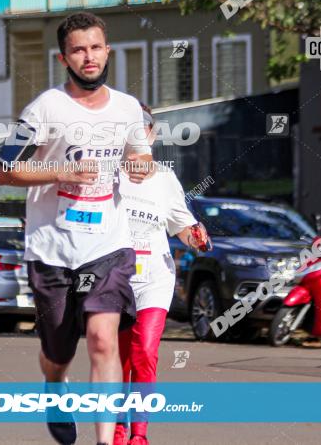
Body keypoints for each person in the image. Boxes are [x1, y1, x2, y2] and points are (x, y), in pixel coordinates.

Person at [0, 12, 154, 445]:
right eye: (79, 50)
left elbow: (142, 155)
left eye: (96, 47)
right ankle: (54, 387)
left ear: (108, 52)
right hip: (52, 249)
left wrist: (139, 167)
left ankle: (105, 440)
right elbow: (3, 169)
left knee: (103, 340)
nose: (89, 57)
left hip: (108, 246)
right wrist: (59, 170)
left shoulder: (127, 108)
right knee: (58, 352)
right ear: (64, 57)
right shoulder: (45, 107)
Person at [112, 104, 211, 445]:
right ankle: (118, 426)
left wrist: (196, 235)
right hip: (116, 280)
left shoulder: (166, 179)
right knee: (120, 359)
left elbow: (182, 226)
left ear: (152, 134)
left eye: (142, 127)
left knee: (144, 351)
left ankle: (139, 433)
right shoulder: (107, 174)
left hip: (155, 277)